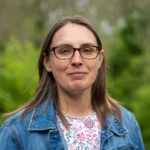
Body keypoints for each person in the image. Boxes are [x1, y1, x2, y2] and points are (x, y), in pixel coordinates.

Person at [0, 16, 144, 150]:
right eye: (64, 51)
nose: (77, 60)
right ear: (48, 62)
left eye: (87, 50)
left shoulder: (127, 123)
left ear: (100, 59)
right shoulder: (16, 132)